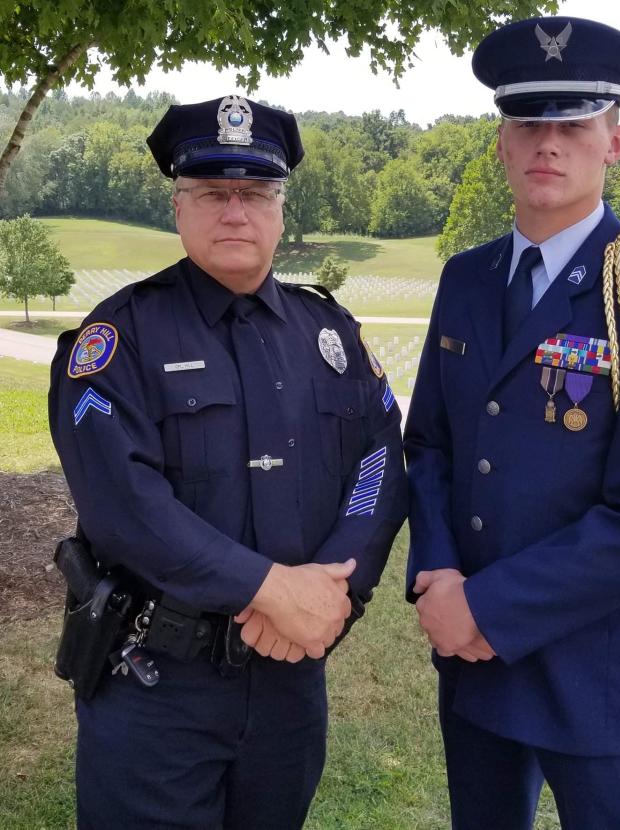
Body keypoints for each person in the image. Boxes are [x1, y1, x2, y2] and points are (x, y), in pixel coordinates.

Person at [48, 95, 407, 829]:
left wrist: (335, 592)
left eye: (256, 193)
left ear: (281, 210)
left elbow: (380, 461)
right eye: (213, 193)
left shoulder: (328, 333)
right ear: (179, 208)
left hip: (290, 686)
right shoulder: (121, 337)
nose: (235, 212)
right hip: (156, 688)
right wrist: (268, 588)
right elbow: (125, 507)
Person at [404, 17, 620, 830]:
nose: (548, 143)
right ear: (503, 142)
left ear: (615, 140)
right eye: (528, 123)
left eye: (574, 125)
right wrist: (438, 576)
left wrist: (487, 607)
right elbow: (433, 444)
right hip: (474, 661)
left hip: (594, 674)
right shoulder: (467, 280)